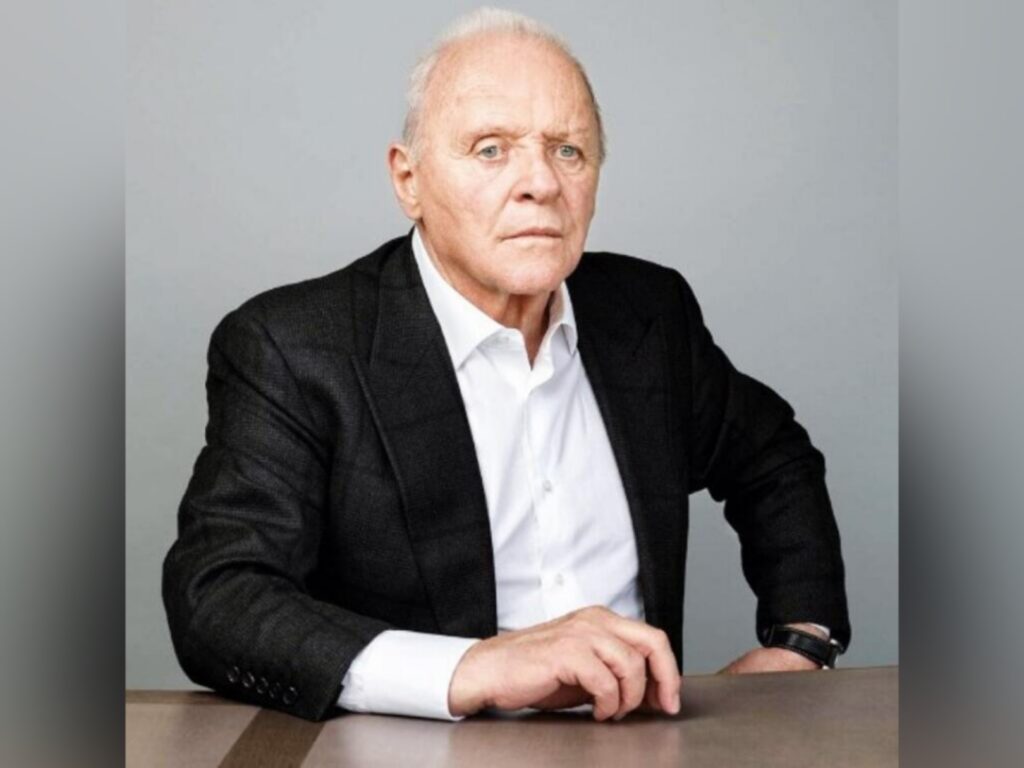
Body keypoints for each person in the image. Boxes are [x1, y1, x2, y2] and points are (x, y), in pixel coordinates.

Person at [162, 7, 850, 724]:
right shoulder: (295, 347)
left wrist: (802, 641)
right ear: (408, 179)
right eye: (491, 150)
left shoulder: (649, 315)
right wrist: (470, 668)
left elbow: (774, 458)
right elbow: (219, 595)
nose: (540, 184)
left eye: (568, 151)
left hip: (640, 746)